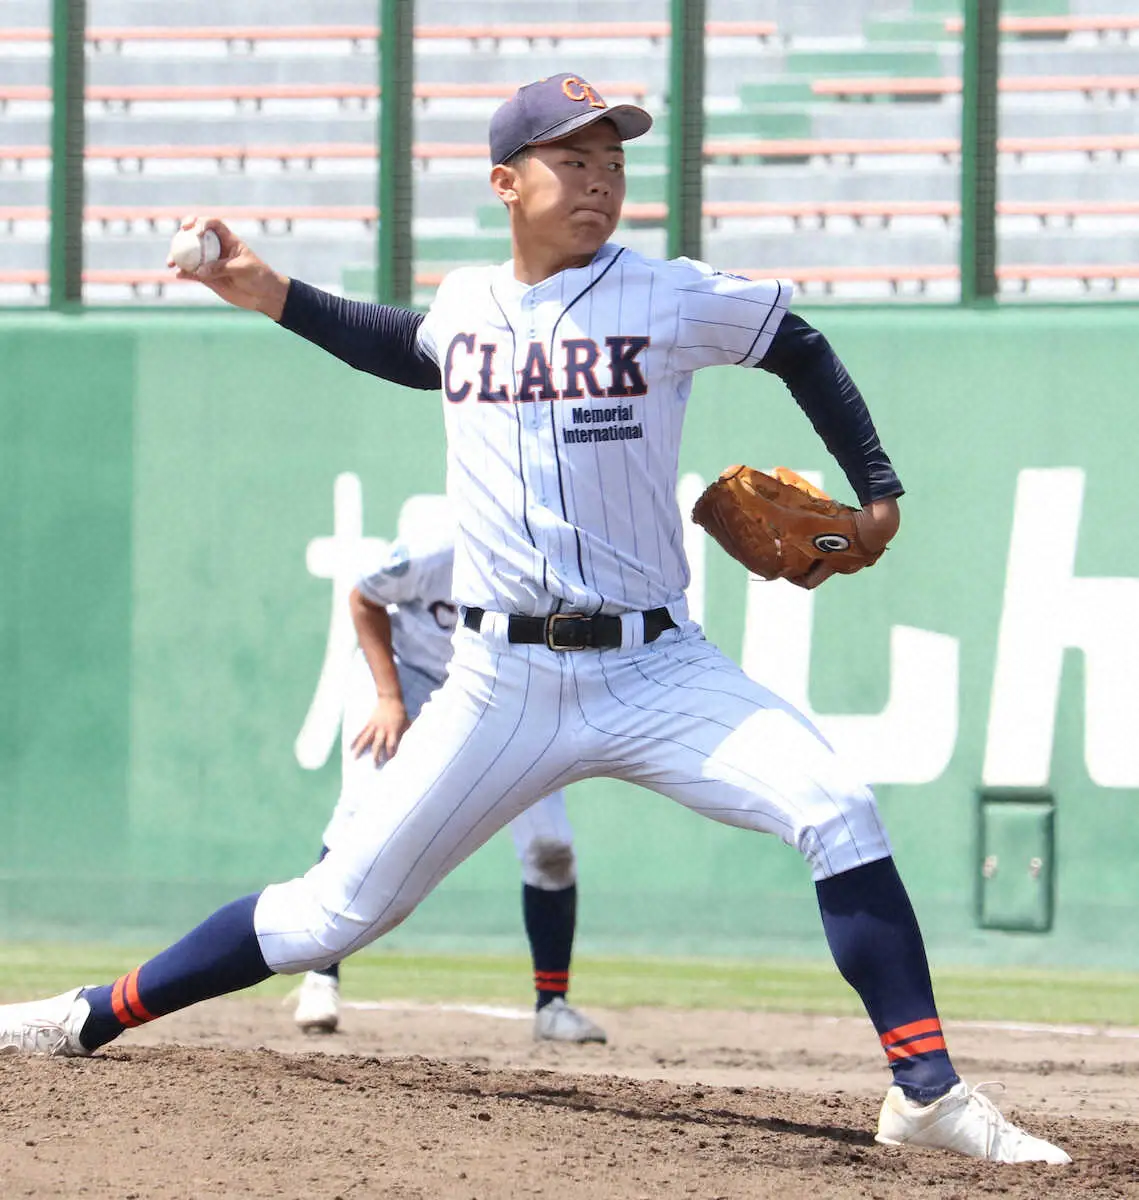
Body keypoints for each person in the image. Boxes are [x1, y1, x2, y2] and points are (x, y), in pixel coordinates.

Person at [0, 73, 1069, 1165]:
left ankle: (925, 1093)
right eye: (573, 160)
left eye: (613, 162)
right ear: (506, 184)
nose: (600, 179)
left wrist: (876, 489)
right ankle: (90, 1012)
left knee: (836, 806)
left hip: (657, 668)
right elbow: (408, 346)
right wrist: (268, 289)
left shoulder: (662, 294)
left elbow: (793, 341)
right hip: (498, 685)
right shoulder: (466, 306)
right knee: (329, 915)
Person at [293, 510, 606, 1043]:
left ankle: (552, 1003)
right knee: (358, 820)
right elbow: (364, 598)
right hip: (408, 682)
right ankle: (319, 975)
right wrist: (389, 698)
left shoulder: (553, 562)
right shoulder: (437, 545)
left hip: (503, 699)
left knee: (551, 846)